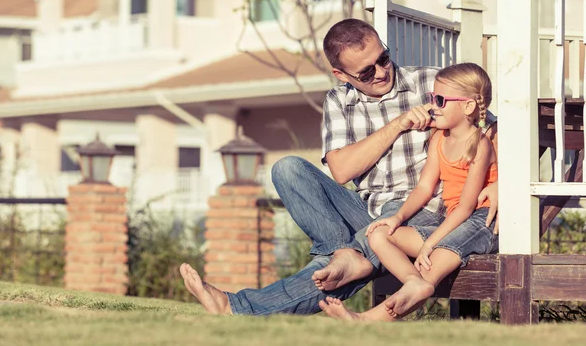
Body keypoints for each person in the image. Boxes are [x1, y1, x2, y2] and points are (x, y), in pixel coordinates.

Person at [179, 18, 499, 316]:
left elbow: (491, 126)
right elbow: (341, 171)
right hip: (364, 206)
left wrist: (499, 183)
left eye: (383, 59)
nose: (381, 72)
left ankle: (236, 306)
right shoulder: (338, 101)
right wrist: (398, 124)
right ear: (341, 75)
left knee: (355, 249)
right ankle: (342, 252)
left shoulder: (431, 83)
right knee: (287, 169)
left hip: (418, 209)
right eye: (365, 72)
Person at [319, 62, 498, 321]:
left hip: (482, 220)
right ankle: (413, 281)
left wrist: (430, 244)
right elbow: (424, 187)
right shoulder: (439, 138)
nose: (432, 106)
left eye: (439, 100)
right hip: (452, 221)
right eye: (431, 98)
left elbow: (466, 207)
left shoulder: (480, 145)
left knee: (434, 262)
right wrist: (397, 218)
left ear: (468, 106)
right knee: (379, 233)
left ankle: (365, 320)